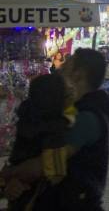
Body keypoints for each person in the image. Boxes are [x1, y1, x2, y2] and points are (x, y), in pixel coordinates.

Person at [3, 48, 109, 210]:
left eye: (65, 67)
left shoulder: (86, 118)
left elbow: (45, 166)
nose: (59, 71)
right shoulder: (63, 110)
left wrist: (11, 174)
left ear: (78, 75)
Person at [0, 74, 70, 211]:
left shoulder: (26, 118)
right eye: (65, 92)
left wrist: (11, 175)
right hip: (42, 199)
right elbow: (55, 173)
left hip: (21, 197)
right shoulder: (55, 126)